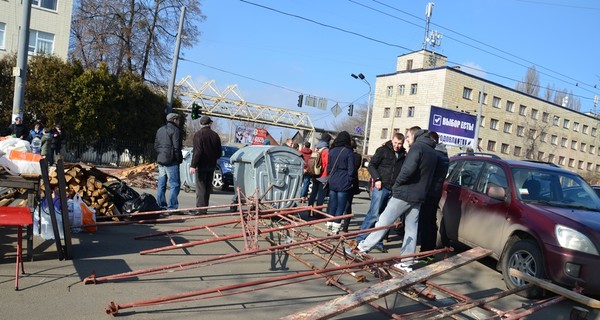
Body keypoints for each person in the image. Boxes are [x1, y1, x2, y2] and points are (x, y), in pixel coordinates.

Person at [353, 126, 438, 272]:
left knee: (384, 220)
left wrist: (397, 183)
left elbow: (408, 169)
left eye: (408, 137)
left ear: (414, 136)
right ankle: (406, 263)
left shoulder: (417, 147)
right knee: (411, 229)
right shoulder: (432, 151)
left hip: (404, 192)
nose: (407, 141)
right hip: (418, 195)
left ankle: (362, 248)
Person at [355, 133, 406, 252]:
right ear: (391, 141)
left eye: (399, 144)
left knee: (386, 217)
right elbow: (371, 165)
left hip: (393, 189)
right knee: (374, 214)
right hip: (381, 187)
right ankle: (360, 237)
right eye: (395, 143)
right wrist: (377, 179)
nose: (397, 146)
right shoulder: (383, 150)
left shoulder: (404, 155)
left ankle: (378, 240)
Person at [418, 131, 450, 253]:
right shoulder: (443, 154)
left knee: (426, 222)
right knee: (431, 221)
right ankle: (429, 251)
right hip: (436, 192)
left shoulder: (434, 154)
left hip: (429, 191)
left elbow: (426, 173)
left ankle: (425, 251)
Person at [190, 115, 221, 214]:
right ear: (210, 124)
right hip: (212, 165)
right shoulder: (215, 135)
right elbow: (219, 152)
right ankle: (205, 208)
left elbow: (197, 151)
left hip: (201, 165)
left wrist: (193, 165)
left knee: (201, 187)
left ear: (201, 124)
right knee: (208, 187)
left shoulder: (198, 135)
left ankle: (200, 209)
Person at [325, 131, 354, 234]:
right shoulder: (348, 152)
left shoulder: (332, 151)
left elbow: (328, 168)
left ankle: (329, 226)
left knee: (332, 205)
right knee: (341, 207)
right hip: (344, 182)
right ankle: (336, 228)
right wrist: (350, 181)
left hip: (333, 181)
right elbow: (351, 169)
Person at [154, 113, 183, 211]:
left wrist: (160, 154)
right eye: (178, 119)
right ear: (174, 119)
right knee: (175, 184)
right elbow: (176, 147)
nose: (179, 121)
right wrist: (179, 159)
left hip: (161, 160)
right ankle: (172, 207)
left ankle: (161, 205)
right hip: (171, 161)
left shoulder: (160, 130)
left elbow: (156, 145)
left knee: (161, 184)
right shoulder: (176, 130)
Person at [307, 132, 331, 218]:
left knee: (313, 193)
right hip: (323, 175)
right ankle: (318, 213)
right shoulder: (326, 151)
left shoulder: (316, 148)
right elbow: (326, 164)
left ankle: (310, 211)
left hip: (314, 174)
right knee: (321, 195)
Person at [342, 139, 362, 233]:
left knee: (342, 203)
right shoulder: (358, 156)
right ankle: (345, 225)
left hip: (344, 180)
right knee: (348, 204)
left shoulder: (345, 154)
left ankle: (339, 223)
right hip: (353, 182)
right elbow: (356, 167)